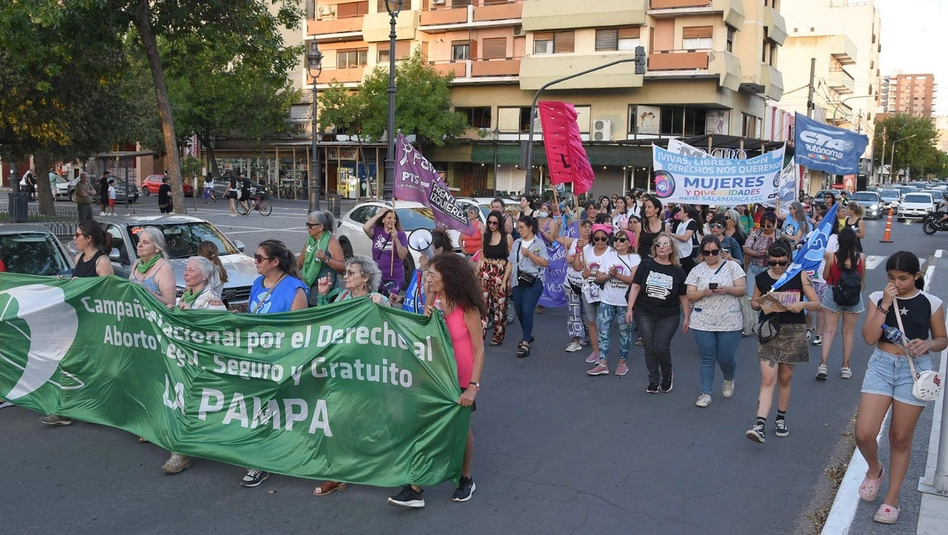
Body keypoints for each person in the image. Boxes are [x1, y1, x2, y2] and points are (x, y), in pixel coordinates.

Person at [854, 251, 946, 525]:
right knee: (864, 432)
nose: (897, 283)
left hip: (915, 369)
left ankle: (891, 501)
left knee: (900, 437)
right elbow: (869, 338)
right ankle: (874, 469)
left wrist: (929, 344)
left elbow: (942, 338)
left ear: (917, 276)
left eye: (903, 278)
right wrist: (885, 302)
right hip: (881, 365)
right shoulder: (877, 299)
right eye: (892, 277)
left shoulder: (931, 302)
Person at [388, 253, 487, 508]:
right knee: (428, 427)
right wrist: (429, 313)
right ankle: (416, 488)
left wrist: (473, 388)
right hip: (437, 377)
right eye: (428, 274)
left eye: (433, 274)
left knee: (461, 431)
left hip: (462, 381)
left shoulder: (468, 309)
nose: (428, 278)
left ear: (449, 278)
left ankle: (465, 478)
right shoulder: (436, 303)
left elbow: (479, 351)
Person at [242, 239, 308, 488]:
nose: (254, 261)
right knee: (257, 408)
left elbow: (298, 332)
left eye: (259, 258)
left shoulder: (295, 289)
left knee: (273, 410)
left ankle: (264, 462)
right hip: (256, 357)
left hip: (280, 359)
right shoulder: (257, 283)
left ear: (275, 262)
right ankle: (261, 457)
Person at [38, 221, 115, 428]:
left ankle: (99, 407)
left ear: (89, 238)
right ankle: (66, 409)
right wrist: (64, 283)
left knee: (93, 367)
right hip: (76, 323)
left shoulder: (102, 262)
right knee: (69, 364)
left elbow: (110, 297)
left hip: (95, 326)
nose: (74, 238)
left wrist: (81, 287)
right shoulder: (78, 258)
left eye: (78, 235)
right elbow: (75, 287)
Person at [745, 239, 821, 443]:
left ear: (788, 261)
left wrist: (802, 303)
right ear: (768, 261)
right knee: (767, 380)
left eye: (782, 262)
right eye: (773, 262)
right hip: (769, 330)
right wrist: (761, 303)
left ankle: (780, 418)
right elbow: (753, 303)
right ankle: (759, 424)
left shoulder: (799, 275)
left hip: (793, 330)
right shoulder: (761, 278)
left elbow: (817, 303)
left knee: (785, 380)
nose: (777, 267)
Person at [160, 256, 226, 475]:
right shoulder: (185, 295)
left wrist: (191, 316)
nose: (186, 274)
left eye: (191, 270)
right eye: (186, 270)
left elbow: (220, 335)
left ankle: (182, 452)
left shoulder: (211, 301)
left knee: (191, 404)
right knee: (181, 402)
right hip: (183, 360)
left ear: (205, 275)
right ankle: (183, 448)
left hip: (201, 365)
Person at [685, 235, 746, 407]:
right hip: (702, 319)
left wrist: (727, 289)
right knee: (707, 358)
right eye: (706, 252)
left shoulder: (732, 267)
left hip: (730, 319)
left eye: (714, 251)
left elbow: (742, 289)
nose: (710, 255)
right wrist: (703, 292)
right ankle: (706, 392)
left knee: (726, 357)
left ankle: (728, 378)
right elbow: (690, 294)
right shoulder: (696, 270)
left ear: (720, 250)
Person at [625, 233, 689, 394]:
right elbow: (635, 286)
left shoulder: (678, 271)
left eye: (666, 244)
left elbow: (683, 296)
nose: (662, 247)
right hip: (644, 311)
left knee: (661, 346)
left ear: (671, 249)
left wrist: (687, 317)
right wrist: (629, 309)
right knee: (649, 347)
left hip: (669, 314)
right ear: (654, 247)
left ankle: (667, 376)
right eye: (658, 244)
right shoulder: (646, 264)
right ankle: (653, 379)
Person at [587, 229, 640, 377]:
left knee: (624, 332)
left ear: (629, 243)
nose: (617, 242)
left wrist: (617, 275)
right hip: (607, 300)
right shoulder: (609, 256)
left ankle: (622, 362)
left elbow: (636, 280)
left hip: (624, 302)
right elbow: (598, 277)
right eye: (616, 239)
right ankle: (602, 363)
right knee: (603, 331)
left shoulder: (635, 258)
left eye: (622, 240)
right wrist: (607, 276)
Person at [816, 227, 865, 380]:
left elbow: (825, 276)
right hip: (853, 297)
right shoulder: (861, 257)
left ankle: (823, 365)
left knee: (829, 331)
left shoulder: (833, 257)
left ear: (839, 241)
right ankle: (845, 366)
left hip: (834, 294)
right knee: (848, 332)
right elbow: (861, 277)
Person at [506, 215, 549, 358]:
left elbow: (545, 263)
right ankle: (527, 334)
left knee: (526, 310)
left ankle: (525, 342)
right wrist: (505, 280)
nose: (519, 230)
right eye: (518, 228)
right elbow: (511, 262)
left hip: (534, 280)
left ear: (530, 228)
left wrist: (530, 254)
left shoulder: (539, 243)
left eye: (522, 227)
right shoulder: (517, 243)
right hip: (517, 281)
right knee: (518, 309)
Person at [576, 223, 613, 364]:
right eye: (597, 238)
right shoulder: (586, 250)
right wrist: (578, 251)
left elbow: (610, 273)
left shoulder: (612, 252)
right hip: (588, 291)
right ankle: (595, 351)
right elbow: (579, 267)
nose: (600, 241)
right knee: (591, 322)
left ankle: (603, 354)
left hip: (605, 291)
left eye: (603, 238)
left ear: (607, 239)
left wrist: (591, 273)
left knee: (602, 323)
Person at [478, 210, 513, 346]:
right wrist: (475, 274)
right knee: (482, 305)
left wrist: (507, 279)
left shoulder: (507, 237)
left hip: (500, 271)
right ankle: (480, 336)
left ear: (500, 223)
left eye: (495, 223)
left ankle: (498, 336)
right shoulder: (485, 236)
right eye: (489, 222)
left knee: (500, 306)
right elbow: (481, 256)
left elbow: (511, 260)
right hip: (485, 270)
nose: (492, 225)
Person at [298, 210, 345, 306]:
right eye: (307, 224)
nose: (308, 228)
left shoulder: (331, 242)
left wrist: (326, 259)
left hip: (326, 290)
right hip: (309, 287)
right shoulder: (310, 241)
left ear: (320, 227)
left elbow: (342, 266)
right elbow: (300, 262)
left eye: (310, 225)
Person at [558, 219, 591, 353]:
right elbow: (554, 237)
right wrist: (558, 224)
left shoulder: (595, 245)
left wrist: (575, 261)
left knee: (588, 314)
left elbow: (582, 266)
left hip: (587, 285)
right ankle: (576, 339)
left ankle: (586, 336)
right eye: (585, 226)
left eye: (590, 227)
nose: (587, 229)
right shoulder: (573, 242)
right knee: (574, 313)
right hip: (571, 282)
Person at [363, 208, 409, 299]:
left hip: (394, 277)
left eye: (394, 218)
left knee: (387, 302)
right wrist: (379, 214)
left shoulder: (400, 235)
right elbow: (365, 227)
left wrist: (396, 239)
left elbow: (403, 256)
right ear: (383, 220)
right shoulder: (377, 231)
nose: (392, 221)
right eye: (389, 218)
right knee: (375, 302)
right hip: (378, 276)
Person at [129, 227, 176, 306]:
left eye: (145, 242)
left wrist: (147, 293)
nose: (139, 245)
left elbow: (170, 303)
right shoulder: (137, 263)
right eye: (139, 241)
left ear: (157, 248)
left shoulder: (164, 268)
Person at [742, 211, 778, 297]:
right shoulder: (756, 233)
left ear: (774, 224)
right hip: (753, 269)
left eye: (768, 226)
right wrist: (756, 253)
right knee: (750, 296)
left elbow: (782, 251)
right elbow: (746, 248)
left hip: (770, 270)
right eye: (763, 225)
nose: (765, 228)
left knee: (767, 296)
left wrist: (767, 253)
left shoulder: (778, 236)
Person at [671, 206, 699, 275]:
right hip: (679, 253)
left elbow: (685, 238)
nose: (679, 213)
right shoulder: (680, 224)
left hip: (688, 254)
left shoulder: (691, 223)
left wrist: (673, 235)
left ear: (686, 213)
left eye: (681, 211)